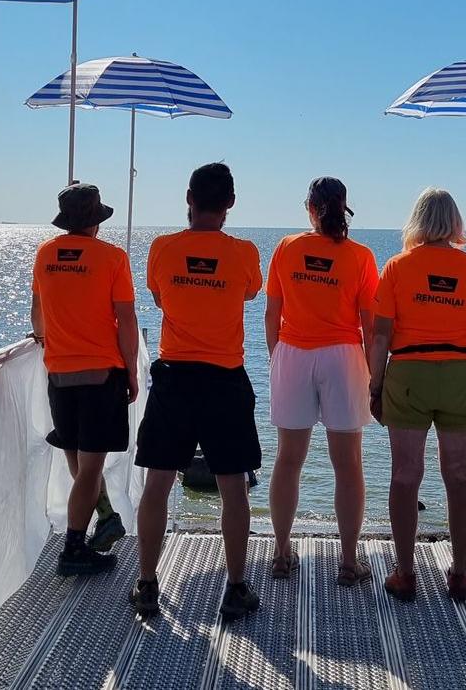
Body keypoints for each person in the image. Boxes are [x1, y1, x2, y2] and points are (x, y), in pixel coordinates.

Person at [132, 163, 263, 621]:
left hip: (175, 378)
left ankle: (147, 584)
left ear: (188, 198)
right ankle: (236, 587)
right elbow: (250, 293)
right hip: (224, 380)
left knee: (158, 484)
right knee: (234, 489)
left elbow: (159, 297)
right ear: (230, 203)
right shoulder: (243, 252)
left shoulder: (162, 249)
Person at [369, 188, 466, 603]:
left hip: (409, 372)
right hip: (460, 373)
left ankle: (405, 572)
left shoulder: (397, 267)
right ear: (455, 223)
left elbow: (380, 336)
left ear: (417, 221)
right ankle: (460, 573)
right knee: (460, 475)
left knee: (405, 475)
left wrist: (376, 386)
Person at [265, 177, 379, 587]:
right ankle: (348, 562)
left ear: (309, 208)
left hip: (293, 353)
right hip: (342, 357)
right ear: (344, 209)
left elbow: (271, 314)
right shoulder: (361, 256)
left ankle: (281, 552)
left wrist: (278, 359)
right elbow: (369, 325)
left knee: (288, 459)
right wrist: (375, 376)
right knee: (348, 464)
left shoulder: (286, 248)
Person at [31, 183, 140, 577]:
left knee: (78, 459)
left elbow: (38, 317)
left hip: (59, 374)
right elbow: (126, 320)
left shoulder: (45, 254)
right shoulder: (112, 258)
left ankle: (105, 518)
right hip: (100, 376)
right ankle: (73, 548)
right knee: (91, 467)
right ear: (96, 220)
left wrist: (47, 338)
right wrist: (132, 371)